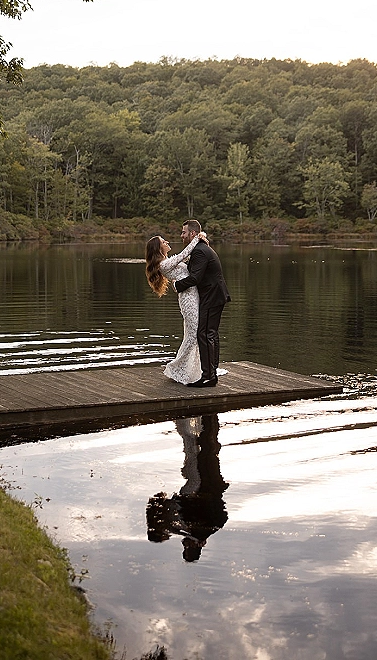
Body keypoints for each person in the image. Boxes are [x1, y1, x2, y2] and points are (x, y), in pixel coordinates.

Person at [146, 414, 229, 561]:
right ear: (192, 546)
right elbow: (165, 502)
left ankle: (206, 419)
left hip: (210, 487)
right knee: (193, 449)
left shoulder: (203, 529)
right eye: (186, 547)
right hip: (198, 488)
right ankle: (198, 419)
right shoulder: (186, 529)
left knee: (205, 451)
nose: (183, 544)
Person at [145, 231, 208, 384]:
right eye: (163, 241)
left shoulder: (167, 261)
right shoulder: (164, 264)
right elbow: (184, 253)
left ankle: (194, 369)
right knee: (193, 336)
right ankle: (176, 367)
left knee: (191, 335)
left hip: (193, 296)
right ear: (158, 248)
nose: (166, 241)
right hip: (188, 299)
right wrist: (197, 238)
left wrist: (203, 245)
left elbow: (187, 257)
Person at [174, 219, 230, 387]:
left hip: (212, 296)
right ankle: (211, 372)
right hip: (215, 295)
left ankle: (208, 376)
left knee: (204, 334)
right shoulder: (201, 248)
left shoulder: (199, 251)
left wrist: (178, 285)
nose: (181, 235)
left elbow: (195, 278)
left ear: (192, 233)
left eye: (184, 232)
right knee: (211, 333)